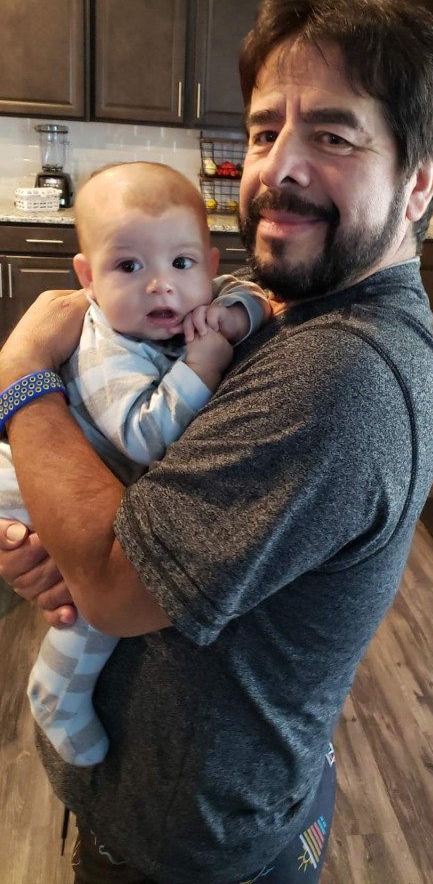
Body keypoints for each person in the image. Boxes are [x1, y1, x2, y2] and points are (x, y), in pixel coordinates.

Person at [0, 0, 433, 884]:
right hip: (217, 799)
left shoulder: (340, 373)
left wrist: (20, 378)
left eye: (331, 135)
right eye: (262, 131)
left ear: (418, 181)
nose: (276, 168)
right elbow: (140, 515)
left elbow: (114, 587)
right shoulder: (285, 305)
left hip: (185, 849)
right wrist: (48, 526)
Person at [0, 160, 270, 768]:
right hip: (23, 479)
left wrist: (234, 315)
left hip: (68, 470)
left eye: (182, 263)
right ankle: (56, 693)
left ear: (207, 261)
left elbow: (248, 293)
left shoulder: (195, 298)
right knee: (96, 594)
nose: (161, 286)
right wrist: (201, 364)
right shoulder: (107, 344)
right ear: (87, 278)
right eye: (128, 267)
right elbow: (144, 437)